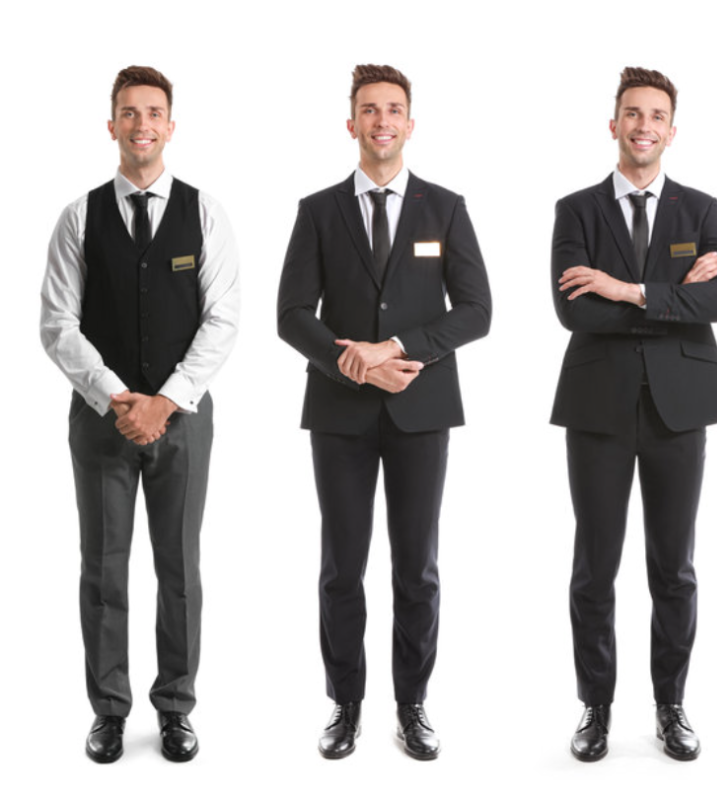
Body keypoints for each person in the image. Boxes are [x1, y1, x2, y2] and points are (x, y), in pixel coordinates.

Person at [277, 63, 491, 761]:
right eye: (369, 109)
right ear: (352, 123)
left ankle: (412, 703)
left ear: (410, 123)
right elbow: (291, 314)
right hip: (339, 411)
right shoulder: (318, 210)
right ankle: (345, 703)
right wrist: (354, 360)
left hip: (420, 410)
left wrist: (397, 349)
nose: (382, 120)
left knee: (417, 567)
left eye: (393, 109)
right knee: (341, 566)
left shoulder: (445, 208)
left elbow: (477, 310)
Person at [40, 65, 240, 764]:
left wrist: (166, 400)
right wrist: (117, 396)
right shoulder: (79, 216)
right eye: (129, 113)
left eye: (154, 113)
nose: (142, 124)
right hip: (102, 421)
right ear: (112, 126)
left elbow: (222, 319)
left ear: (170, 126)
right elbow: (57, 324)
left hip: (183, 419)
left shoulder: (204, 213)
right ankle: (109, 710)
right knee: (103, 568)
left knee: (179, 566)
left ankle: (176, 707)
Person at [551, 66, 717, 762]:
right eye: (633, 113)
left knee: (674, 567)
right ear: (614, 124)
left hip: (679, 407)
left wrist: (626, 289)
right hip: (597, 407)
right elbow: (573, 308)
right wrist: (671, 295)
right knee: (594, 565)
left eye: (656, 115)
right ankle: (596, 706)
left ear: (672, 130)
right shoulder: (576, 210)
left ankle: (671, 704)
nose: (643, 126)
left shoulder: (702, 210)